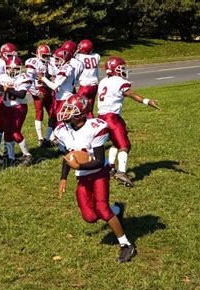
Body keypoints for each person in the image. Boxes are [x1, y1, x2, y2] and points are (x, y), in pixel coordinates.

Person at [54, 94, 135, 263]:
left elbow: (98, 161)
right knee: (90, 217)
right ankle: (117, 210)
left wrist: (80, 166)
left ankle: (126, 244)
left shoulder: (95, 127)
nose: (66, 112)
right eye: (67, 108)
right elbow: (67, 156)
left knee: (102, 209)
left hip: (99, 173)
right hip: (82, 176)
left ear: (82, 113)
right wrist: (63, 178)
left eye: (71, 109)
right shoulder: (63, 130)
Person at [97, 56, 161, 187]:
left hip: (101, 117)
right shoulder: (119, 81)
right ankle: (121, 172)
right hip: (112, 117)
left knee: (115, 143)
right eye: (121, 68)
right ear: (115, 69)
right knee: (124, 145)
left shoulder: (103, 81)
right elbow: (130, 94)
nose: (123, 70)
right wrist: (147, 101)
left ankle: (110, 167)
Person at [0, 56, 33, 165]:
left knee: (15, 132)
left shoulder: (23, 77)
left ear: (20, 68)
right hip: (6, 106)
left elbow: (21, 94)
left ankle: (27, 155)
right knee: (7, 133)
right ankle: (11, 158)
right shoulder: (2, 77)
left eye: (15, 68)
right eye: (10, 68)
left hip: (18, 107)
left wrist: (7, 89)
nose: (12, 70)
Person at [40, 48, 76, 140]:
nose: (55, 61)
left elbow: (54, 86)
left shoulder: (65, 69)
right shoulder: (68, 67)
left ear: (64, 59)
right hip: (63, 97)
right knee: (60, 121)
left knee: (62, 123)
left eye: (57, 59)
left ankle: (64, 146)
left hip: (64, 99)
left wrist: (43, 78)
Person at [25, 44, 55, 147]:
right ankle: (40, 138)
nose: (46, 57)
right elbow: (28, 80)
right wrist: (36, 92)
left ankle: (50, 137)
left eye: (47, 55)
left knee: (53, 112)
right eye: (44, 55)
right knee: (39, 112)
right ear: (38, 54)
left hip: (47, 88)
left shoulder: (49, 62)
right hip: (38, 89)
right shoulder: (33, 62)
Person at [0, 43, 18, 160]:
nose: (10, 57)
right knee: (1, 123)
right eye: (8, 55)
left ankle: (7, 150)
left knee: (11, 122)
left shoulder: (12, 61)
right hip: (0, 94)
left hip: (11, 94)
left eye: (12, 55)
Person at [75, 39, 100, 117]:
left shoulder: (79, 56)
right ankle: (91, 123)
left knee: (79, 106)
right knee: (90, 109)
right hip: (94, 84)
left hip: (85, 86)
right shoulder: (96, 56)